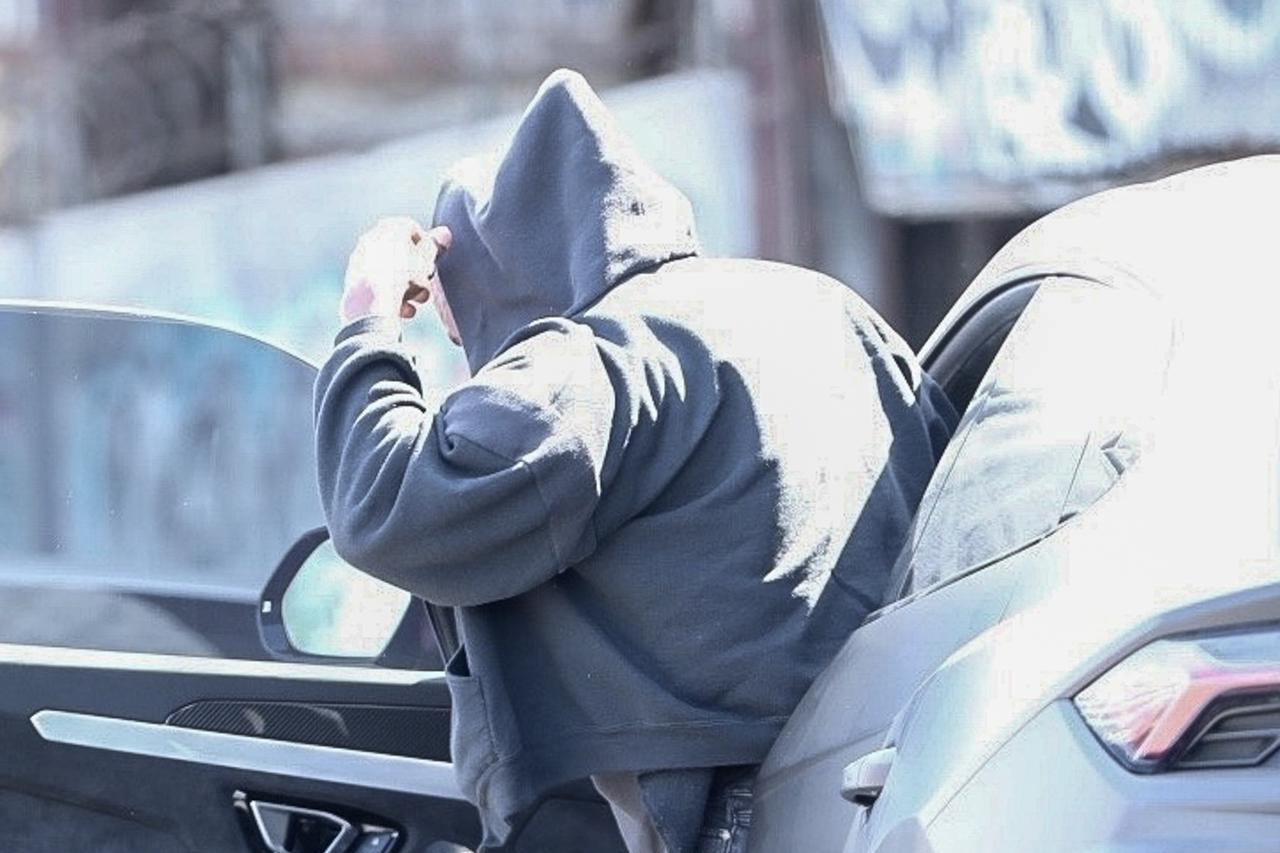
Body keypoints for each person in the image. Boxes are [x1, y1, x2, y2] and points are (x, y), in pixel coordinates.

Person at [314, 70, 955, 853]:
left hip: (747, 804)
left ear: (505, 283)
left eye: (468, 328)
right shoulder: (826, 308)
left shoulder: (586, 364)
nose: (479, 358)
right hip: (923, 760)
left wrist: (368, 317)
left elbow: (387, 504)